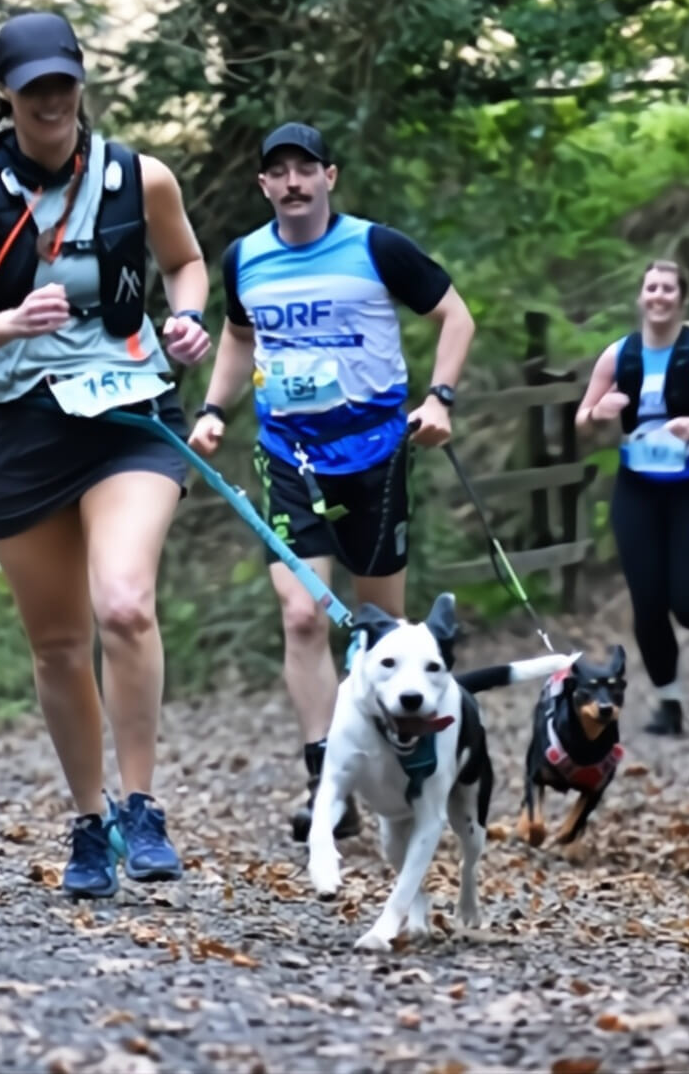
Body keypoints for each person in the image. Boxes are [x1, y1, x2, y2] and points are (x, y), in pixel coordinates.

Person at [0, 11, 213, 899]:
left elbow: (187, 264)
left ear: (82, 83)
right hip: (21, 426)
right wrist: (11, 320)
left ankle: (143, 805)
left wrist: (188, 318)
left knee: (123, 605)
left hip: (128, 415)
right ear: (6, 95)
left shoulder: (138, 176)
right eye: (32, 85)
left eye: (63, 82)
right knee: (57, 643)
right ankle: (90, 821)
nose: (51, 99)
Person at [187, 121, 475, 843]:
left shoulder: (377, 247)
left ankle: (396, 763)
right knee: (304, 616)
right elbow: (238, 333)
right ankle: (327, 781)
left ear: (329, 177)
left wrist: (440, 398)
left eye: (304, 170)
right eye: (278, 172)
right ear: (263, 185)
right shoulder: (244, 257)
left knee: (382, 632)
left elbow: (455, 316)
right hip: (290, 459)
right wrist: (215, 408)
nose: (292, 183)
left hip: (376, 457)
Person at [573, 259, 689, 737]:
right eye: (651, 287)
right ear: (640, 297)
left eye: (667, 289)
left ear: (682, 299)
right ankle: (669, 703)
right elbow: (582, 418)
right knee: (648, 602)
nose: (658, 295)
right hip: (638, 491)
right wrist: (599, 411)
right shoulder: (618, 356)